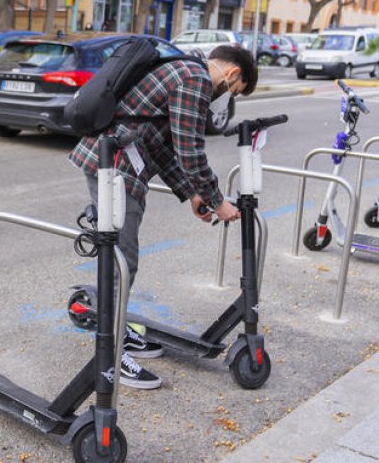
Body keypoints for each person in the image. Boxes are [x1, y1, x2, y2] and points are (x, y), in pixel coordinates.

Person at [68, 43, 258, 390]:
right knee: (123, 262)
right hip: (115, 168)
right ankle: (109, 357)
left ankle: (118, 333)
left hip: (115, 161)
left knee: (121, 259)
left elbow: (163, 146)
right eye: (234, 91)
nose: (225, 98)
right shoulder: (195, 80)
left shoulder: (184, 70)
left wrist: (193, 193)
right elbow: (190, 150)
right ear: (232, 73)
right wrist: (217, 201)